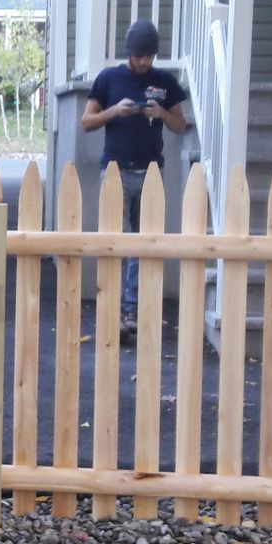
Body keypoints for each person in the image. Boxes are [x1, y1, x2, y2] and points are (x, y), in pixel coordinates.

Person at [80, 20, 189, 340]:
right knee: (115, 241)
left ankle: (131, 310)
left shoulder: (165, 81)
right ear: (129, 52)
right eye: (140, 56)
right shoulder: (109, 79)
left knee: (144, 243)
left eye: (150, 56)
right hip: (115, 171)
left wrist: (162, 114)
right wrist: (115, 111)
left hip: (152, 172)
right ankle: (110, 309)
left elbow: (181, 126)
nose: (145, 62)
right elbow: (86, 122)